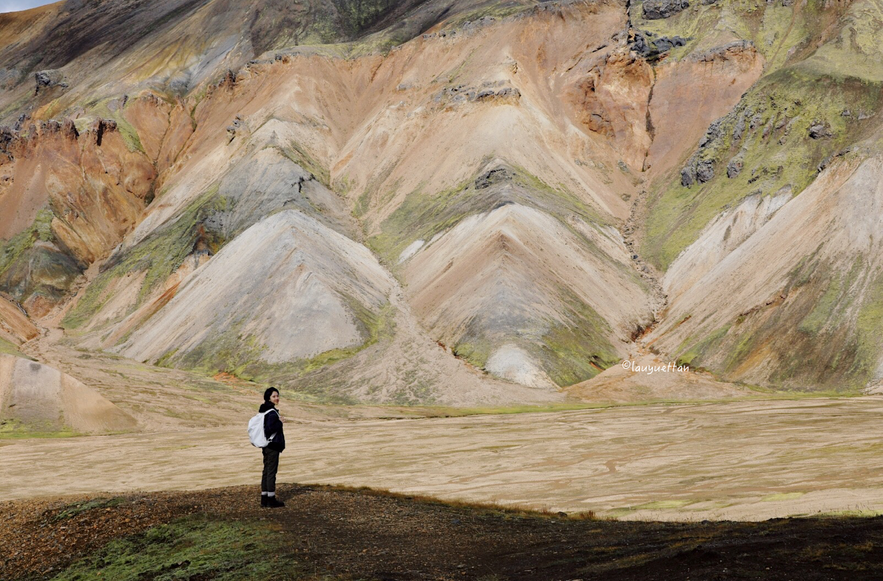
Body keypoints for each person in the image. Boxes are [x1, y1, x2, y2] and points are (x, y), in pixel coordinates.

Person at [259, 387, 286, 508]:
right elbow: (270, 429)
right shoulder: (271, 412)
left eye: (277, 396)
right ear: (269, 398)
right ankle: (271, 499)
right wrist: (280, 422)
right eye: (274, 396)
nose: (277, 398)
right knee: (271, 472)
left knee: (266, 471)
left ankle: (264, 498)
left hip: (266, 445)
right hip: (272, 445)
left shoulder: (264, 410)